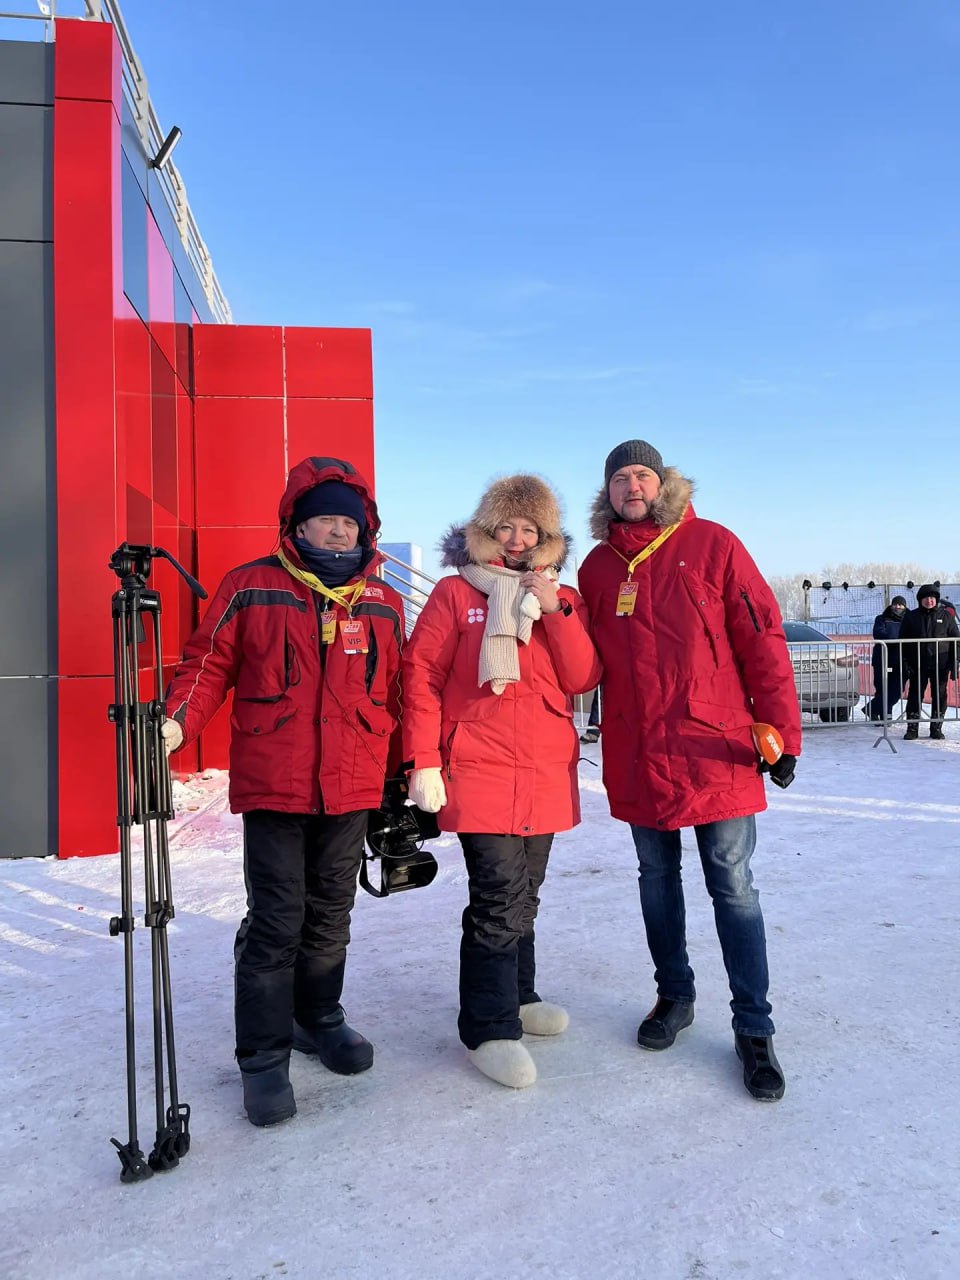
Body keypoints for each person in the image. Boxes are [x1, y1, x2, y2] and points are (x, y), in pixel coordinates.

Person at [162, 457, 405, 1126]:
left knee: (331, 914)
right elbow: (206, 663)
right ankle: (263, 1058)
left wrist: (413, 766)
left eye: (347, 521)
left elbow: (402, 691)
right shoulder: (251, 586)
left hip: (351, 785)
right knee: (276, 921)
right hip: (277, 785)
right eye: (324, 519)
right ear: (297, 525)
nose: (336, 531)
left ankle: (318, 1018)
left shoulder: (382, 601)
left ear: (364, 529)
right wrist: (176, 724)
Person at [578, 439, 801, 1102]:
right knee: (656, 879)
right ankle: (674, 997)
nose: (632, 485)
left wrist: (783, 734)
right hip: (639, 751)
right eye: (620, 478)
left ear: (664, 480)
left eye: (641, 473)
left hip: (716, 749)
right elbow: (579, 664)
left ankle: (754, 1030)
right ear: (608, 493)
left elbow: (761, 636)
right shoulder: (595, 568)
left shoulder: (712, 544)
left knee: (733, 888)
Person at [402, 475, 600, 1089]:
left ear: (546, 539)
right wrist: (423, 762)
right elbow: (421, 677)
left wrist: (558, 611)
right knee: (498, 897)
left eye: (530, 530)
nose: (518, 540)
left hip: (542, 769)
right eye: (507, 528)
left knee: (525, 894)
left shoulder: (560, 598)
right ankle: (488, 1027)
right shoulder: (454, 594)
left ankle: (519, 994)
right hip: (478, 765)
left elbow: (582, 677)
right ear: (486, 533)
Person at [899, 584, 959, 740]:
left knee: (939, 696)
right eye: (926, 598)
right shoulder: (911, 617)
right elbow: (902, 642)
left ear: (936, 600)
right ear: (920, 600)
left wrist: (954, 662)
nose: (929, 601)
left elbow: (956, 641)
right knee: (914, 695)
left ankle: (936, 727)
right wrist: (905, 663)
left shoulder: (946, 616)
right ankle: (912, 728)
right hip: (917, 665)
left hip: (940, 665)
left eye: (932, 598)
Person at [867, 596, 907, 721]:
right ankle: (884, 716)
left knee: (896, 690)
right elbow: (878, 633)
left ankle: (871, 708)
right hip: (882, 658)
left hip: (901, 659)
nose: (898, 607)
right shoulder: (882, 618)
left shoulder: (909, 618)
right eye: (896, 604)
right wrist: (896, 639)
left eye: (901, 605)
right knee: (881, 687)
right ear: (891, 605)